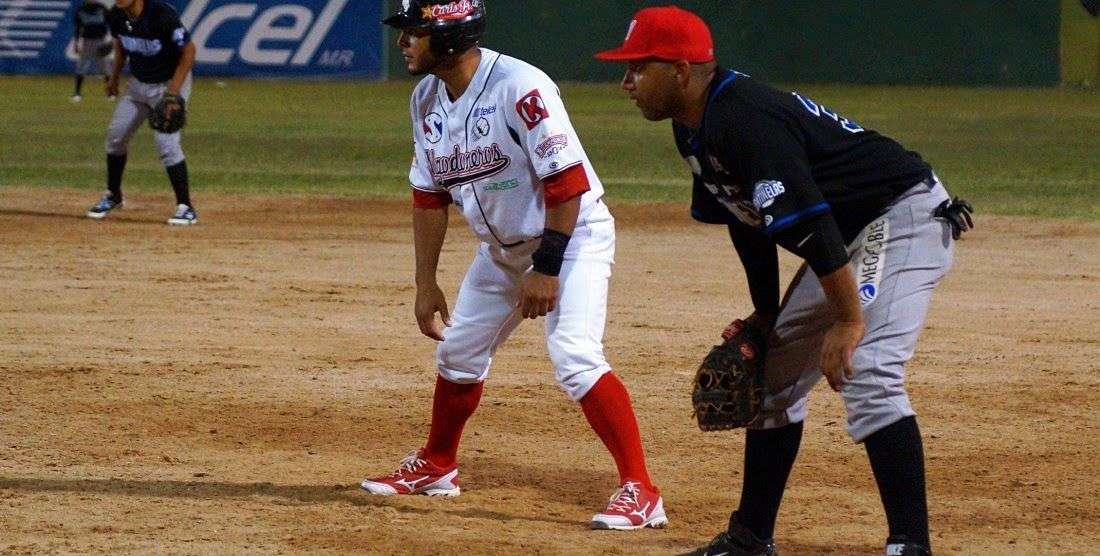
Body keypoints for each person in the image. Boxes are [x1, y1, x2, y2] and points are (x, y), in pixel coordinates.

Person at [595, 6, 973, 555]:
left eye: (637, 67)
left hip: (900, 216)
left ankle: (910, 546)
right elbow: (747, 220)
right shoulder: (693, 126)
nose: (625, 81)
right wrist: (766, 317)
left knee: (865, 366)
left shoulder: (743, 118)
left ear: (679, 70)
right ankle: (750, 539)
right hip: (845, 237)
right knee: (769, 375)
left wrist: (847, 320)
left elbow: (811, 222)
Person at [359, 0, 668, 531]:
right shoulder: (425, 97)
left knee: (574, 355)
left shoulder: (520, 86)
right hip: (501, 251)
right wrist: (425, 281)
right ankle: (438, 464)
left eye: (414, 31)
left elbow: (566, 183)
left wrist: (548, 269)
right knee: (458, 353)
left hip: (571, 238)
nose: (403, 42)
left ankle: (641, 491)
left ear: (451, 37)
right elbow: (428, 195)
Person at [87, 0, 197, 226]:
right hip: (138, 84)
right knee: (115, 137)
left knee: (167, 144)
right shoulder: (117, 16)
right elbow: (121, 45)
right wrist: (115, 77)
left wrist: (173, 93)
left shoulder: (161, 15)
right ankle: (113, 195)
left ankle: (185, 207)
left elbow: (189, 51)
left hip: (168, 84)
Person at [72, 0, 111, 103]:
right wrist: (76, 43)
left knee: (105, 68)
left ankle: (110, 93)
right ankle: (77, 94)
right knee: (81, 67)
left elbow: (110, 23)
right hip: (86, 41)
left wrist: (110, 40)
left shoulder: (102, 8)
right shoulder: (81, 11)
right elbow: (78, 28)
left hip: (100, 40)